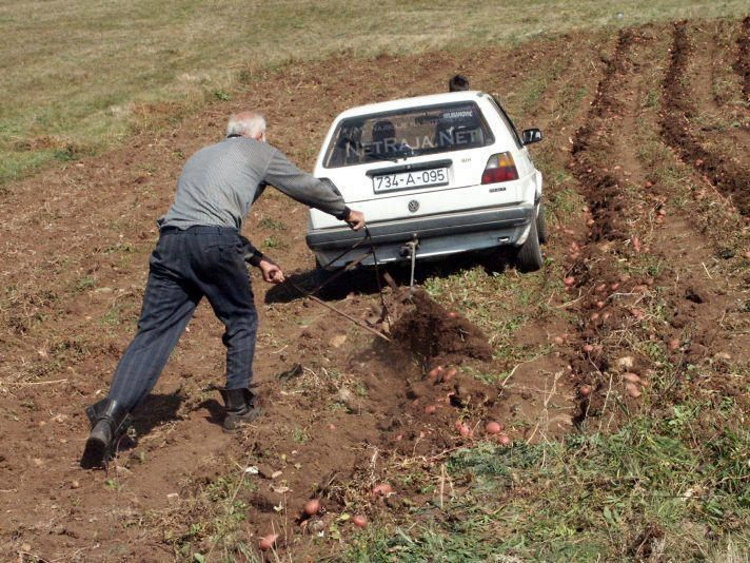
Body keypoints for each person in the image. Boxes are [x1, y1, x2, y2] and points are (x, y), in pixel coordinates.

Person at [81, 111, 365, 469]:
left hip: (171, 243)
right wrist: (344, 212)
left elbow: (204, 220)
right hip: (213, 242)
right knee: (241, 317)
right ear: (257, 136)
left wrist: (259, 260)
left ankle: (108, 417)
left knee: (152, 334)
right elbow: (303, 186)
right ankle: (238, 408)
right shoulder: (258, 151)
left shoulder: (201, 156)